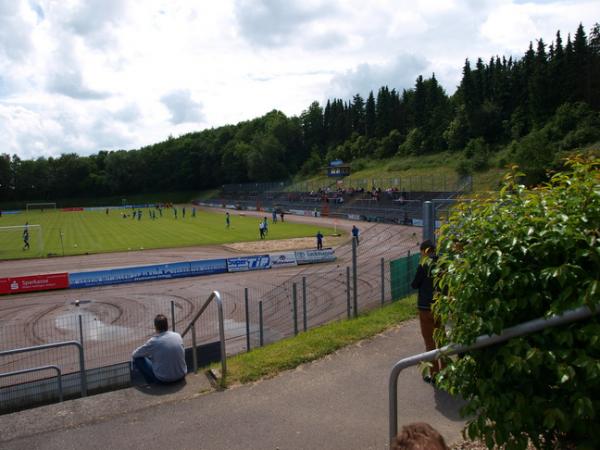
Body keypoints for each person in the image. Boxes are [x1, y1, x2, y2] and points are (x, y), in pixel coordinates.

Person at [411, 240, 442, 384]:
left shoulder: (424, 265)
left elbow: (414, 284)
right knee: (442, 341)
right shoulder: (444, 262)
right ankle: (446, 374)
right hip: (441, 307)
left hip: (425, 308)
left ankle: (434, 375)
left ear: (424, 250)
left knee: (430, 343)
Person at [131, 314, 187, 384]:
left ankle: (151, 383)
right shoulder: (177, 335)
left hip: (164, 380)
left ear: (156, 327)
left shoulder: (154, 341)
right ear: (167, 325)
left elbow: (135, 354)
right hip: (181, 375)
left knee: (137, 359)